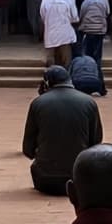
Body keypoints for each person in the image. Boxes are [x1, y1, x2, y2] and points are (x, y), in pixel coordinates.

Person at [21, 66, 102, 195]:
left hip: (46, 180)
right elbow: (96, 142)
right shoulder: (89, 102)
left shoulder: (38, 103)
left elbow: (28, 149)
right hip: (79, 179)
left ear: (46, 83)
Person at [39, 0, 79, 68]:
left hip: (50, 33)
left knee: (50, 57)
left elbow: (43, 17)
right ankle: (66, 75)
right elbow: (75, 18)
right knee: (66, 58)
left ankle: (50, 76)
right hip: (65, 33)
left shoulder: (45, 0)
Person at [77, 0, 111, 64]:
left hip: (88, 30)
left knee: (87, 51)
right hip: (100, 30)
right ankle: (97, 68)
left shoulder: (86, 1)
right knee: (97, 53)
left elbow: (81, 14)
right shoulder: (105, 1)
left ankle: (88, 66)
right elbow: (107, 13)